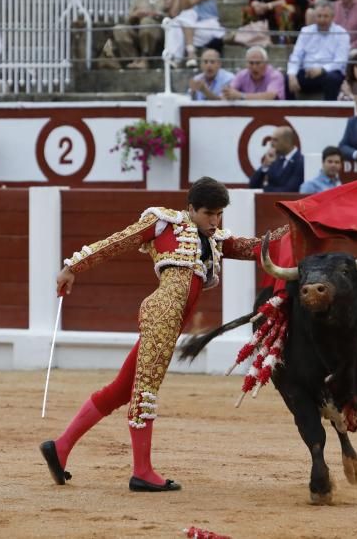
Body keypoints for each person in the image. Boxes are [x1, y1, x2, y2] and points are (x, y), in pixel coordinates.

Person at [42, 177, 275, 493]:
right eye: (209, 213)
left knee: (121, 389)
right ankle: (142, 471)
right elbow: (118, 241)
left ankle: (61, 447)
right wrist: (73, 266)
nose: (215, 220)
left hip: (173, 321)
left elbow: (256, 248)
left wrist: (292, 233)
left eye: (220, 214)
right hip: (162, 314)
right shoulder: (164, 222)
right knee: (146, 390)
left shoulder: (217, 239)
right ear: (191, 208)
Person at [164, 0, 224, 69]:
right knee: (175, 23)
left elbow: (188, 6)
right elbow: (173, 13)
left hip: (207, 25)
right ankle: (178, 58)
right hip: (190, 29)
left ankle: (184, 54)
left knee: (188, 13)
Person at [287, 0, 350, 100]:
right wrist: (291, 74)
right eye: (319, 16)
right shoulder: (306, 31)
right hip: (307, 72)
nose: (322, 20)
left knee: (332, 78)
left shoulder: (341, 33)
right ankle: (289, 112)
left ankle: (330, 112)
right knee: (287, 78)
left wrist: (322, 70)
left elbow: (340, 61)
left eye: (326, 16)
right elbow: (296, 56)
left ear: (332, 17)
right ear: (315, 16)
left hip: (329, 72)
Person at [113, 0, 173, 69]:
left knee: (147, 22)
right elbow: (129, 18)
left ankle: (145, 59)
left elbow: (172, 14)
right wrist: (136, 14)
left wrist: (154, 13)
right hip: (138, 28)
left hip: (158, 29)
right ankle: (134, 59)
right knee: (119, 29)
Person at [248, 126, 304, 192]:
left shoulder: (300, 162)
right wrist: (265, 166)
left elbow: (289, 190)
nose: (271, 143)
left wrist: (264, 190)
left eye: (275, 140)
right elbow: (253, 186)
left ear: (287, 142)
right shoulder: (274, 159)